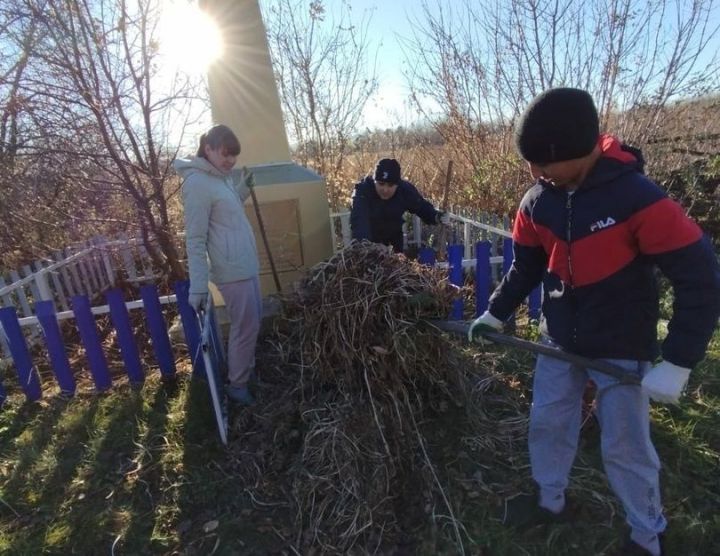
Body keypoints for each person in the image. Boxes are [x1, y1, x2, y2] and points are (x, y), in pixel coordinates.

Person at [468, 88, 720, 555]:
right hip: (559, 338)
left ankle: (648, 533)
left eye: (541, 161)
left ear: (575, 152)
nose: (533, 172)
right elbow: (525, 267)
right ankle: (549, 501)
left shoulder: (636, 198)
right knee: (547, 423)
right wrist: (495, 313)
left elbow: (701, 276)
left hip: (620, 346)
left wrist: (680, 361)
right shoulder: (535, 202)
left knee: (626, 446)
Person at [173, 124, 262, 406]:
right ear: (207, 148)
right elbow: (196, 240)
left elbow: (227, 208)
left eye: (233, 155)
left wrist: (242, 189)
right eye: (225, 154)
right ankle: (238, 386)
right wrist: (198, 288)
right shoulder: (197, 183)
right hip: (232, 271)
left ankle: (244, 372)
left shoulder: (219, 178)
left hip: (245, 264)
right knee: (244, 328)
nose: (230, 161)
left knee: (251, 324)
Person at [350, 158, 450, 253]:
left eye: (390, 185)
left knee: (396, 268)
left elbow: (421, 206)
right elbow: (359, 221)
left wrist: (436, 216)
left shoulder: (405, 190)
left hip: (394, 241)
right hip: (367, 245)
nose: (385, 190)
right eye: (381, 184)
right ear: (374, 180)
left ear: (397, 184)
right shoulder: (362, 191)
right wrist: (369, 247)